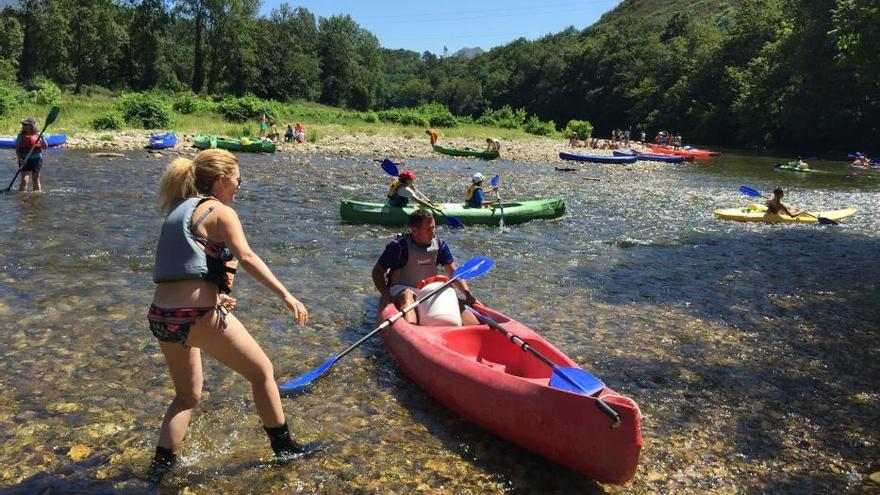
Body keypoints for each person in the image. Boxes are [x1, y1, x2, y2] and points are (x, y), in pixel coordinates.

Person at [146, 149, 319, 482]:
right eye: (239, 179)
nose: (240, 185)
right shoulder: (221, 211)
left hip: (161, 316)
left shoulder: (178, 210)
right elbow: (247, 256)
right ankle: (284, 449)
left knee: (186, 396)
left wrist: (220, 294)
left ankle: (159, 471)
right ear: (223, 180)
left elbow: (190, 269)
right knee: (262, 372)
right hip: (196, 314)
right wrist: (286, 295)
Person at [372, 209, 481, 325]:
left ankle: (477, 330)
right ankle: (411, 329)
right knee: (408, 294)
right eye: (428, 230)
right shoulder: (398, 247)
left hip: (427, 290)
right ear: (414, 231)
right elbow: (377, 272)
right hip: (401, 289)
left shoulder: (439, 245)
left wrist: (468, 294)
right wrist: (384, 293)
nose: (433, 233)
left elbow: (454, 272)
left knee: (453, 299)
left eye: (434, 228)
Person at [15, 117, 46, 192]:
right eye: (23, 124)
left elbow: (45, 147)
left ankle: (37, 196)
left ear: (31, 126)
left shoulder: (38, 135)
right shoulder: (21, 135)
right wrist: (20, 159)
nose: (23, 125)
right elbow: (17, 149)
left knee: (36, 179)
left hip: (37, 160)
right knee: (24, 180)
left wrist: (43, 139)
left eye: (25, 124)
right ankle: (22, 197)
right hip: (24, 160)